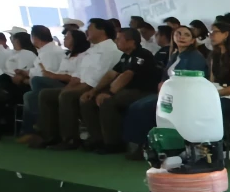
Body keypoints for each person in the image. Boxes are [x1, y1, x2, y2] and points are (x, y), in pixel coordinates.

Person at [32, 18, 119, 149]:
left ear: (102, 31)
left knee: (66, 96)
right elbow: (77, 75)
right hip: (82, 84)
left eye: (90, 28)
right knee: (46, 94)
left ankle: (70, 139)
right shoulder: (92, 50)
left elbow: (99, 77)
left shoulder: (110, 50)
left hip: (97, 87)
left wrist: (78, 90)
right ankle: (51, 137)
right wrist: (68, 87)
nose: (87, 31)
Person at [122, 25, 203, 158]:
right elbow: (166, 75)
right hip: (167, 92)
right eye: (178, 34)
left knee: (144, 108)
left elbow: (190, 79)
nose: (182, 37)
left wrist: (167, 87)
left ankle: (144, 147)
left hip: (182, 95)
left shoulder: (195, 57)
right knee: (136, 105)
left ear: (193, 40)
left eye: (186, 35)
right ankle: (137, 145)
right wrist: (162, 84)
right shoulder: (175, 55)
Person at [79, 27, 159, 153]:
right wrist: (94, 91)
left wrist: (110, 93)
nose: (116, 41)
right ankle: (98, 139)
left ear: (131, 42)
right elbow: (111, 74)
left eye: (119, 39)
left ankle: (113, 143)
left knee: (107, 102)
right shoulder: (125, 56)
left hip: (143, 91)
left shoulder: (142, 54)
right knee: (88, 101)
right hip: (127, 90)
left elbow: (127, 75)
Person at [16, 25, 70, 140]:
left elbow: (46, 74)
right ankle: (31, 130)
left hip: (58, 82)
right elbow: (39, 70)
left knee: (35, 86)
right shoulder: (45, 51)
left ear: (35, 38)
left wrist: (26, 78)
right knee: (29, 95)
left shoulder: (50, 52)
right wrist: (25, 73)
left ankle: (37, 128)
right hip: (48, 82)